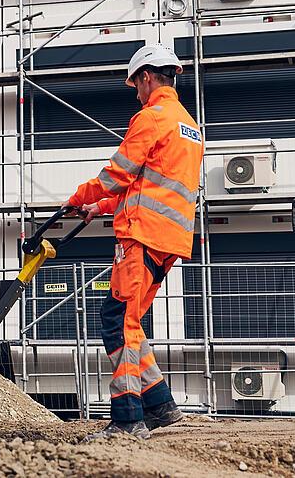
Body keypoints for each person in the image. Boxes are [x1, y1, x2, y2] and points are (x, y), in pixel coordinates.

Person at [70, 44, 203, 442]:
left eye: (136, 84)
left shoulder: (151, 118)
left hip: (141, 236)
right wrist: (101, 207)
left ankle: (128, 418)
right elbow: (149, 184)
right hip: (169, 239)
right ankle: (161, 404)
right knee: (128, 321)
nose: (136, 92)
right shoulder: (188, 125)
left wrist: (81, 197)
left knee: (117, 322)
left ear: (146, 77)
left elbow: (117, 174)